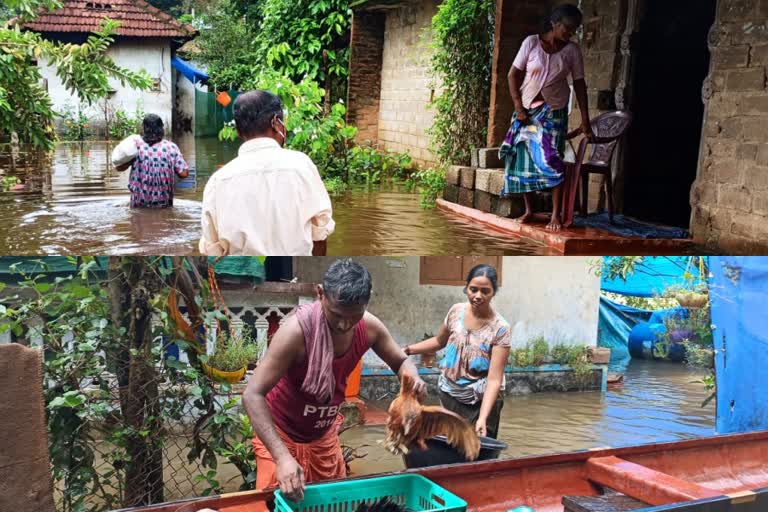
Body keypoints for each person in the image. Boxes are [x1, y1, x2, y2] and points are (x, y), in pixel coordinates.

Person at [242, 259, 427, 503]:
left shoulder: (369, 327)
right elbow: (252, 394)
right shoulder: (295, 333)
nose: (344, 325)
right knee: (276, 503)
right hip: (281, 433)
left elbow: (401, 361)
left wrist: (412, 375)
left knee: (331, 502)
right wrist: (282, 457)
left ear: (366, 301)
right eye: (336, 314)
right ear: (320, 294)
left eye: (354, 316)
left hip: (323, 434)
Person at [199, 90, 335, 256]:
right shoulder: (301, 165)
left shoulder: (218, 181)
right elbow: (320, 231)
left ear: (238, 131)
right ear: (276, 122)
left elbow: (213, 249)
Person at [503, 3, 593, 232]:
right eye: (568, 28)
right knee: (521, 158)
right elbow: (513, 75)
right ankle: (529, 210)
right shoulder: (531, 43)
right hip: (526, 111)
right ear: (554, 23)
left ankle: (555, 215)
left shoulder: (572, 51)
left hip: (554, 112)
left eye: (574, 30)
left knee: (553, 160)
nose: (570, 33)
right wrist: (518, 107)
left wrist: (585, 118)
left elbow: (580, 84)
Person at [402, 264, 511, 439]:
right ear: (466, 287)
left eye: (485, 291)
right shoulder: (456, 311)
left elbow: (494, 380)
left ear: (494, 292)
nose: (477, 296)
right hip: (450, 393)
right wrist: (408, 350)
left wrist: (482, 418)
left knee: (477, 449)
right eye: (473, 289)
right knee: (450, 444)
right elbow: (439, 341)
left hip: (481, 401)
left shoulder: (500, 329)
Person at [115, 114, 189, 208]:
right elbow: (184, 174)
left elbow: (119, 168)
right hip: (164, 203)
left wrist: (130, 161)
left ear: (144, 128)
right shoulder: (171, 147)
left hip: (139, 203)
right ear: (161, 129)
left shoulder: (136, 147)